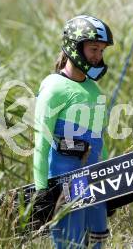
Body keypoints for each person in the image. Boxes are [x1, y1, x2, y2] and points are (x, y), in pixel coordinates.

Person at [33, 15, 113, 248]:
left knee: (97, 243)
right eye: (94, 49)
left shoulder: (95, 91)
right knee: (71, 244)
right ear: (75, 47)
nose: (98, 56)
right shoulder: (54, 87)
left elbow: (100, 144)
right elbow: (41, 142)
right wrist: (41, 191)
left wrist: (110, 184)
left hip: (95, 184)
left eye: (102, 51)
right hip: (64, 186)